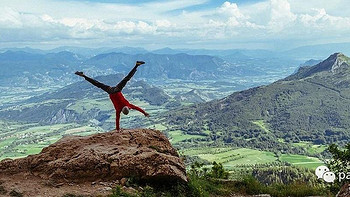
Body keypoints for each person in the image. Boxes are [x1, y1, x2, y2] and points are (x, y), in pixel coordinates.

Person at [75, 61, 149, 131]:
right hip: (110, 91)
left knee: (126, 79)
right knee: (98, 84)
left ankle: (83, 75)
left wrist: (144, 113)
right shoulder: (119, 109)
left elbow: (137, 109)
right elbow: (117, 119)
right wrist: (117, 129)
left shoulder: (127, 106)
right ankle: (83, 75)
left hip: (116, 89)